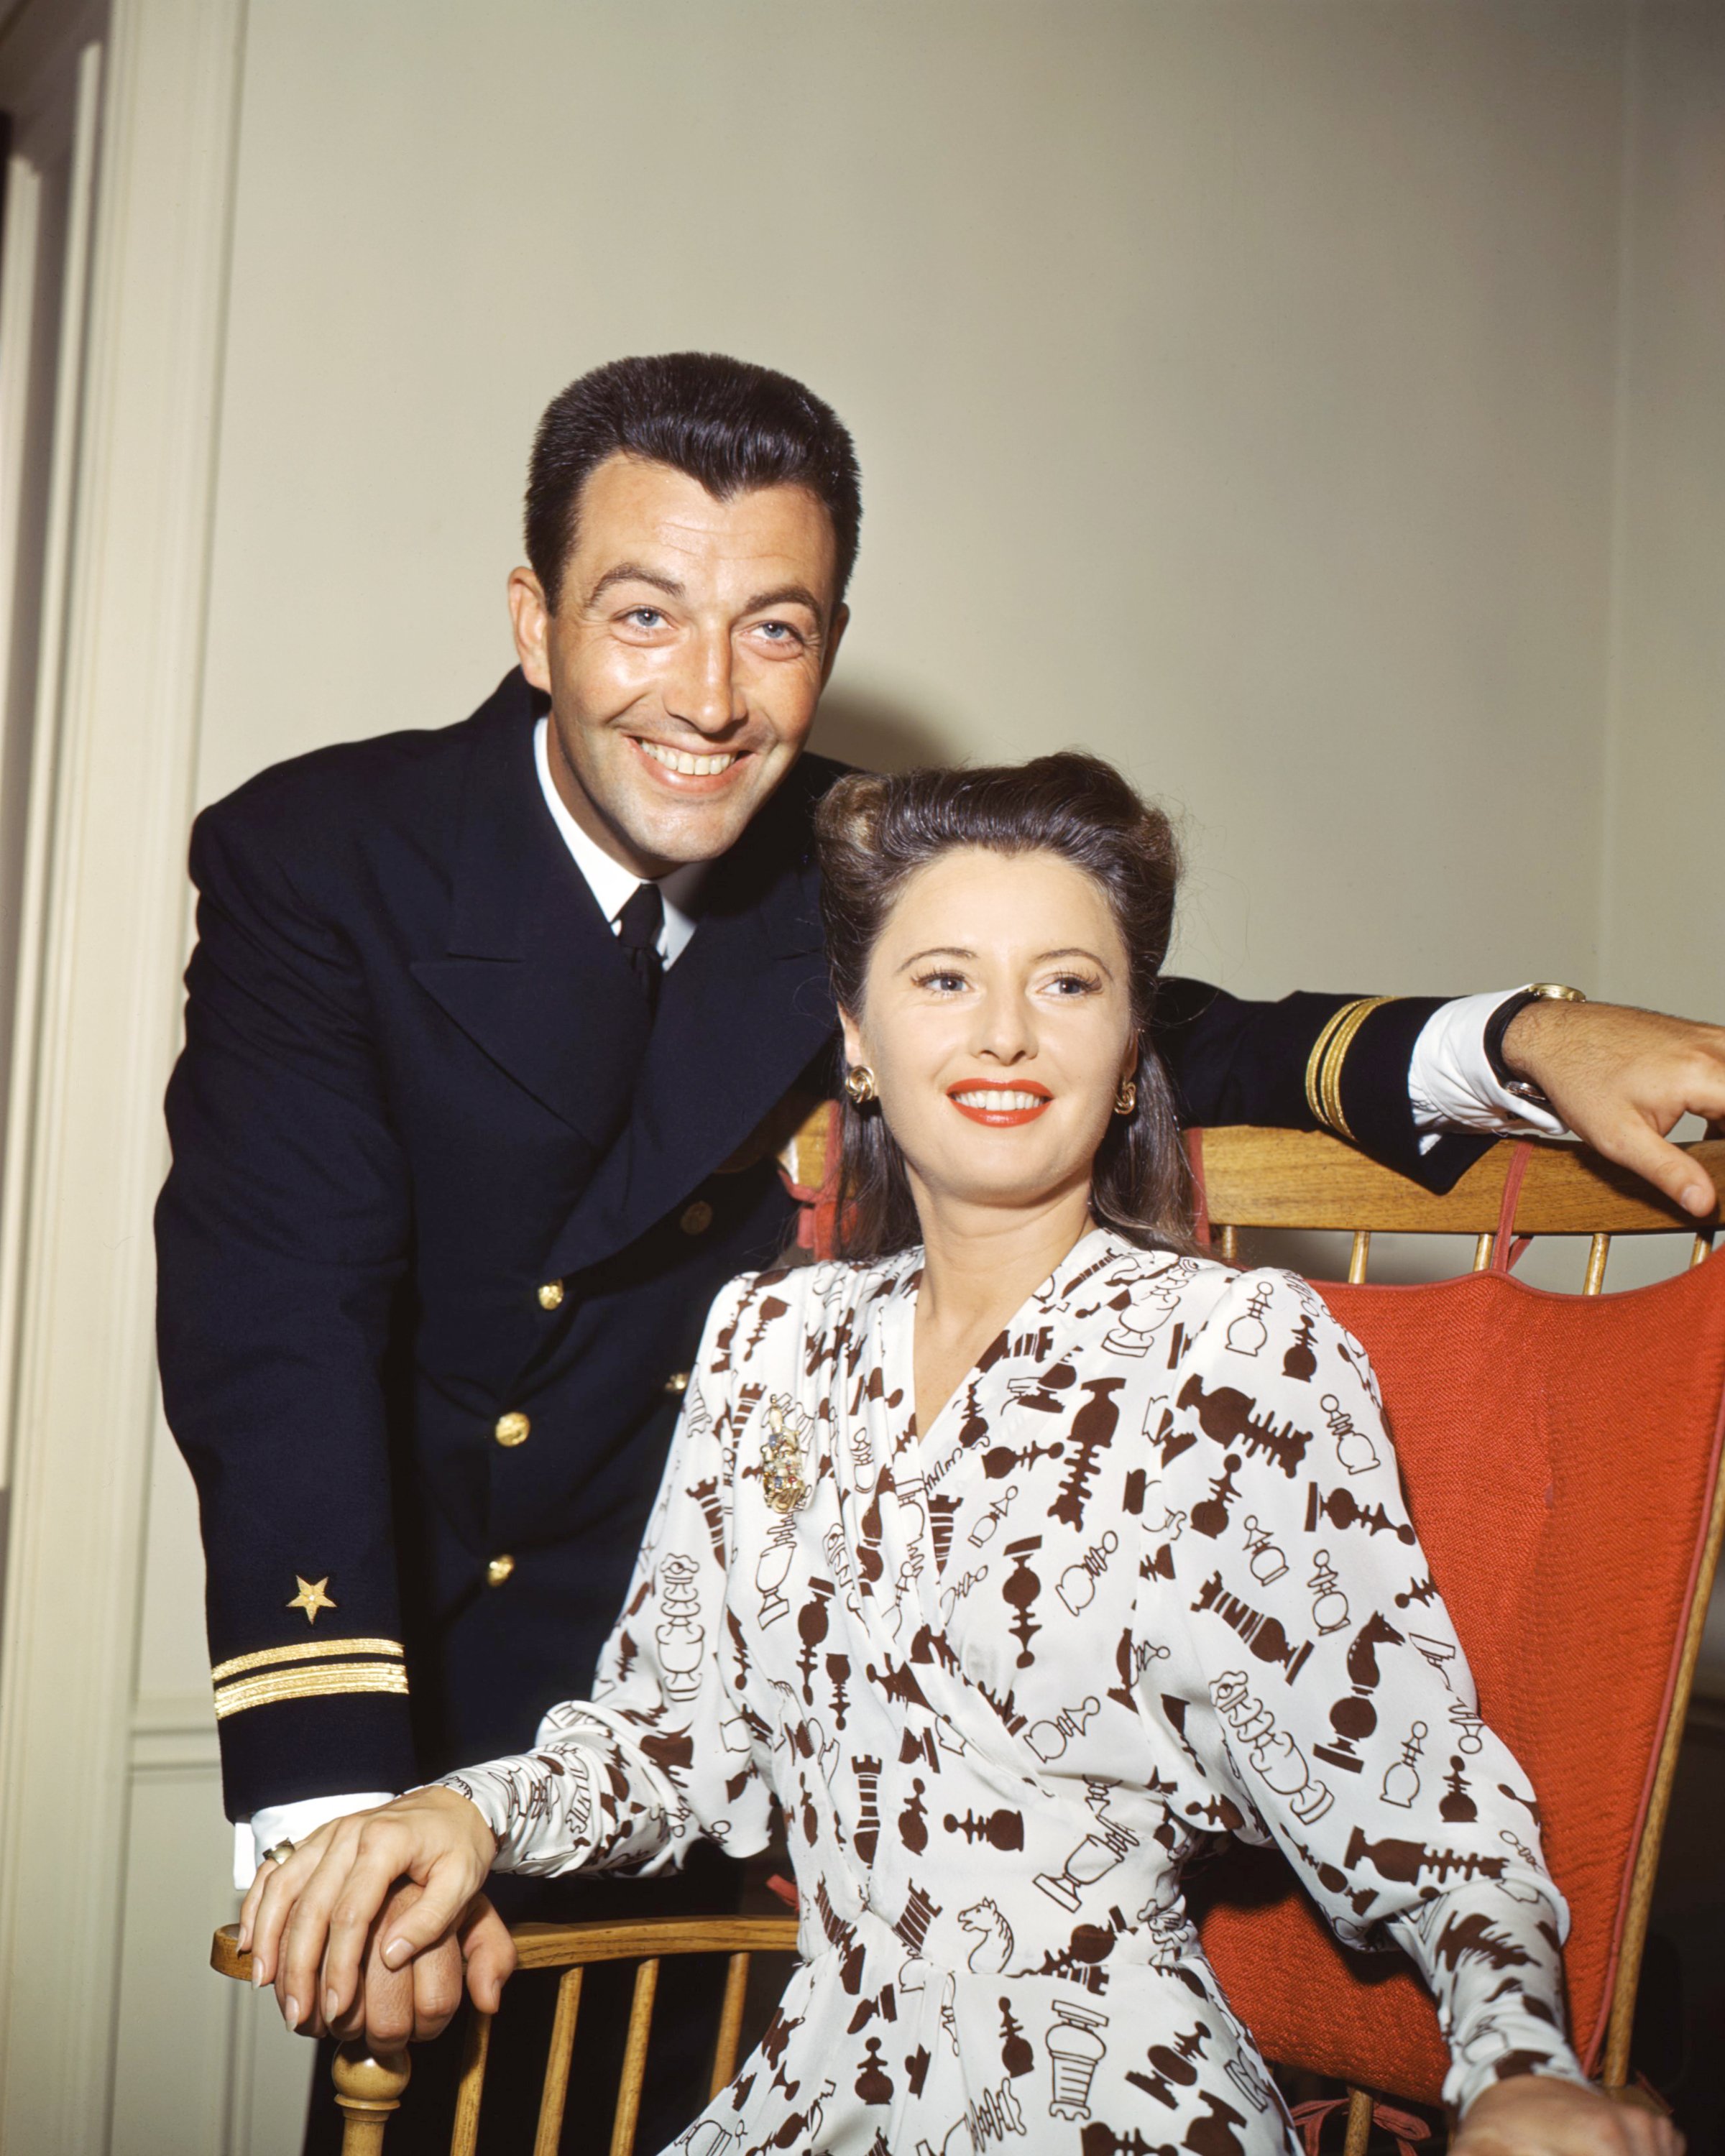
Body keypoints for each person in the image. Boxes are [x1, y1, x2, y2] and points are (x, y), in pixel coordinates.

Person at [158, 354, 1725, 2122]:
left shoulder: (869, 893)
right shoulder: (335, 860)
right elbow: (276, 1327)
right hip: (475, 1695)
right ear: (532, 622)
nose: (710, 695)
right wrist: (355, 1821)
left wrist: (1519, 1037)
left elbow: (1166, 1029)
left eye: (777, 628)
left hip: (910, 1956)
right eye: (644, 615)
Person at [241, 754, 1678, 2156]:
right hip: (809, 2086)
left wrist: (1522, 2070)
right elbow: (670, 1744)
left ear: (1129, 1057)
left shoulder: (1239, 1353)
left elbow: (1427, 1817)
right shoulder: (768, 1342)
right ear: (856, 1040)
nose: (1005, 1035)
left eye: (1068, 983)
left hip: (1110, 2097)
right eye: (944, 980)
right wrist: (459, 1810)